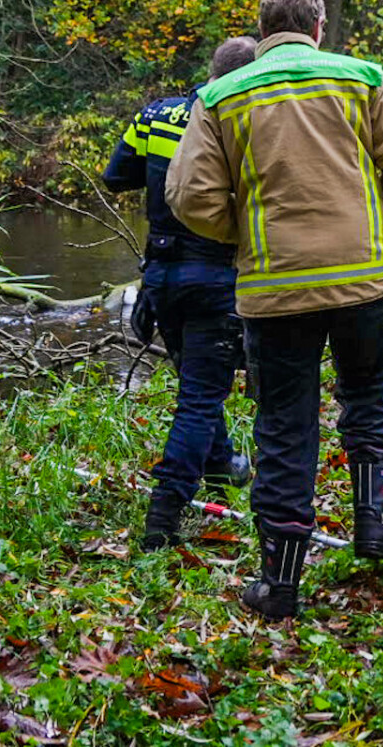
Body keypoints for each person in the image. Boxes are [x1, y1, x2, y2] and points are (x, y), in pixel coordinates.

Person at [166, 0, 383, 620]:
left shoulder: (221, 95)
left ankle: (281, 584)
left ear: (263, 30)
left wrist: (248, 234)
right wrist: (382, 220)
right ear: (319, 28)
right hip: (367, 275)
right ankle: (373, 520)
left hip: (273, 286)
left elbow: (189, 197)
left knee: (284, 426)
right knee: (370, 395)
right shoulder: (362, 78)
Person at [102, 35, 261, 552]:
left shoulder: (156, 115)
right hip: (216, 278)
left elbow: (117, 175)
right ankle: (163, 517)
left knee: (197, 384)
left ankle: (224, 465)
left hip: (160, 279)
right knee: (199, 397)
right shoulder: (247, 122)